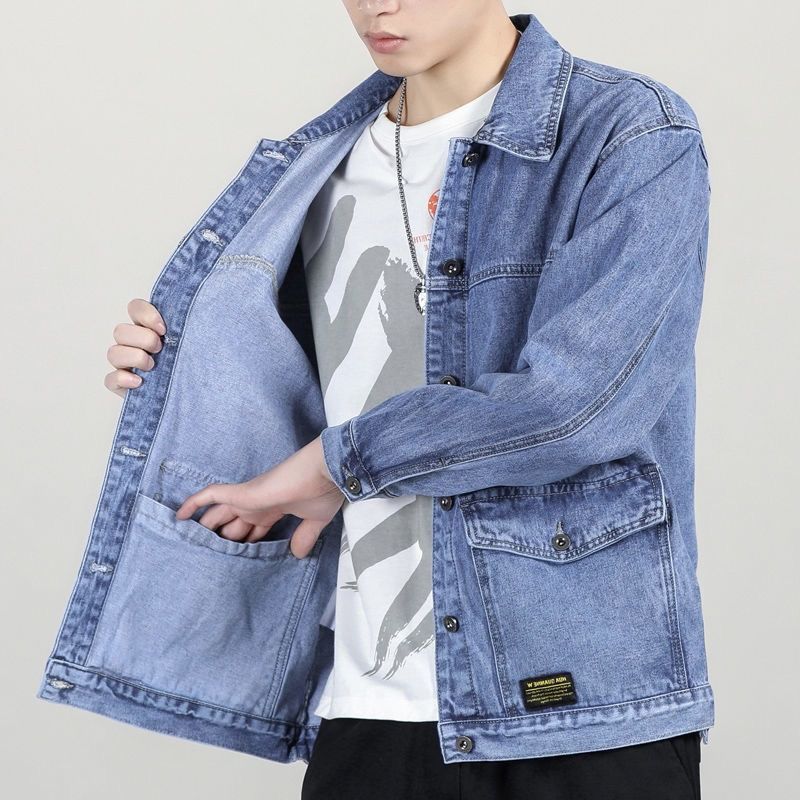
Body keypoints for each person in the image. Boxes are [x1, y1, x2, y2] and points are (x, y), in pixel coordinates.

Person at [103, 2, 708, 798]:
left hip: (572, 706)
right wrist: (180, 357)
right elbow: (299, 391)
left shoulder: (628, 133)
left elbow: (578, 407)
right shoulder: (311, 169)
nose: (377, 4)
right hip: (366, 701)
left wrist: (339, 463)